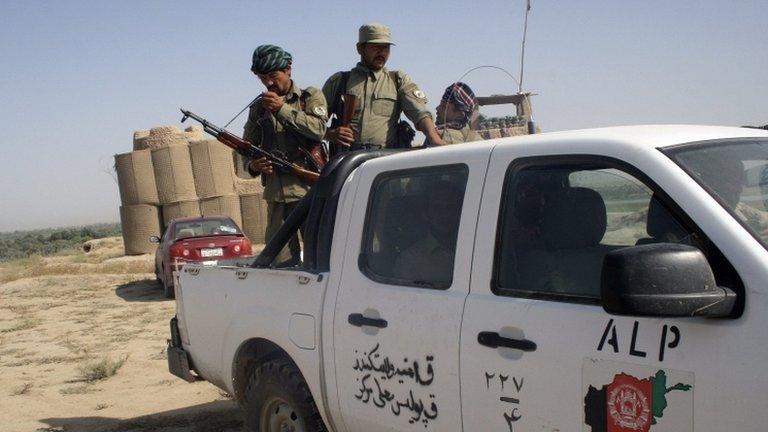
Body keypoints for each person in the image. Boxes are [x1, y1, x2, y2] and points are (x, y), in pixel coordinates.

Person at [244, 44, 328, 264]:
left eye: (273, 75)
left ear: (288, 69)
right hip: (276, 197)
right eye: (263, 78)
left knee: (320, 256)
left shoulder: (309, 97)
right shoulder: (258, 108)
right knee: (279, 263)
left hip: (309, 193)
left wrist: (282, 109)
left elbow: (318, 130)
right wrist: (254, 166)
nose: (269, 83)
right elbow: (245, 147)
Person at [323, 23, 445, 150]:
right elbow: (314, 124)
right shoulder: (339, 81)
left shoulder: (398, 80)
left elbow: (419, 112)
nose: (382, 53)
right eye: (376, 47)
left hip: (384, 160)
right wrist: (331, 134)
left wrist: (434, 138)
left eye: (386, 48)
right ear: (360, 48)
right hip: (347, 159)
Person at [393, 182, 463, 285]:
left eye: (450, 207)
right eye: (437, 208)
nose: (444, 214)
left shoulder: (475, 248)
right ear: (426, 214)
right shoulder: (410, 260)